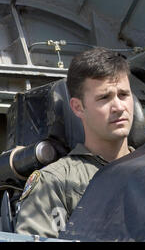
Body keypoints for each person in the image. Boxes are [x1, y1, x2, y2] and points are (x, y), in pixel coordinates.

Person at [15, 47, 135, 238]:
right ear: (78, 108)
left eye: (124, 95)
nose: (119, 107)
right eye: (104, 98)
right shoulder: (55, 183)